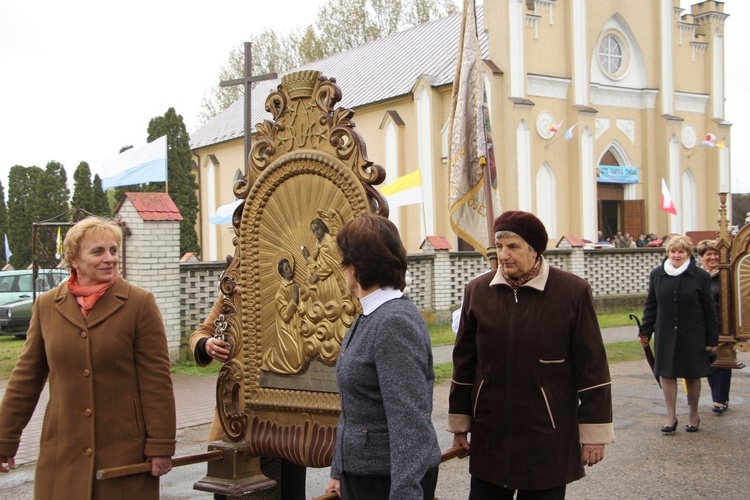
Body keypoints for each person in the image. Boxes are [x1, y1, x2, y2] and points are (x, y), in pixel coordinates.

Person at [0, 216, 176, 499]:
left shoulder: (139, 303)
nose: (110, 259)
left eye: (113, 250)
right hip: (63, 450)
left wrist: (161, 445)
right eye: (98, 252)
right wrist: (5, 437)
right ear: (74, 259)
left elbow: (156, 381)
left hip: (123, 450)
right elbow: (26, 378)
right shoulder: (46, 306)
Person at [449, 210, 614, 499]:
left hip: (546, 433)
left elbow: (592, 367)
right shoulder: (477, 291)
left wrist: (594, 435)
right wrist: (460, 424)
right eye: (499, 247)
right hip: (491, 433)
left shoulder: (572, 292)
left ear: (534, 249)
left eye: (513, 246)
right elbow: (464, 364)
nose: (503, 255)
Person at [326, 214, 441, 499]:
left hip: (387, 480)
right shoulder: (371, 314)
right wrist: (339, 470)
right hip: (366, 473)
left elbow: (409, 420)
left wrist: (404, 493)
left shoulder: (393, 322)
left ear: (355, 267)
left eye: (344, 262)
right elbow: (355, 404)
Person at [189, 272, 307, 500]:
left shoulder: (296, 288)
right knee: (232, 490)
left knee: (285, 488)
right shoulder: (234, 291)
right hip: (236, 416)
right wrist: (207, 345)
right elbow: (201, 333)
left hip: (284, 418)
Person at [639, 235, 719, 433]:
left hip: (693, 333)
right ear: (668, 253)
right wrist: (645, 329)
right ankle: (671, 416)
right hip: (665, 331)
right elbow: (652, 304)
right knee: (666, 374)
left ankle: (693, 414)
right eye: (673, 251)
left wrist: (712, 339)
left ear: (688, 254)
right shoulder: (657, 274)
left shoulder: (700, 276)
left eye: (681, 251)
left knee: (692, 374)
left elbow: (709, 309)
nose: (677, 255)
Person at [697, 240, 732, 414]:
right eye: (708, 254)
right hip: (699, 326)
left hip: (722, 325)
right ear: (701, 256)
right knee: (709, 361)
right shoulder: (695, 275)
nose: (713, 257)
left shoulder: (726, 274)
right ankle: (717, 395)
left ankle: (720, 399)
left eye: (715, 254)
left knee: (722, 360)